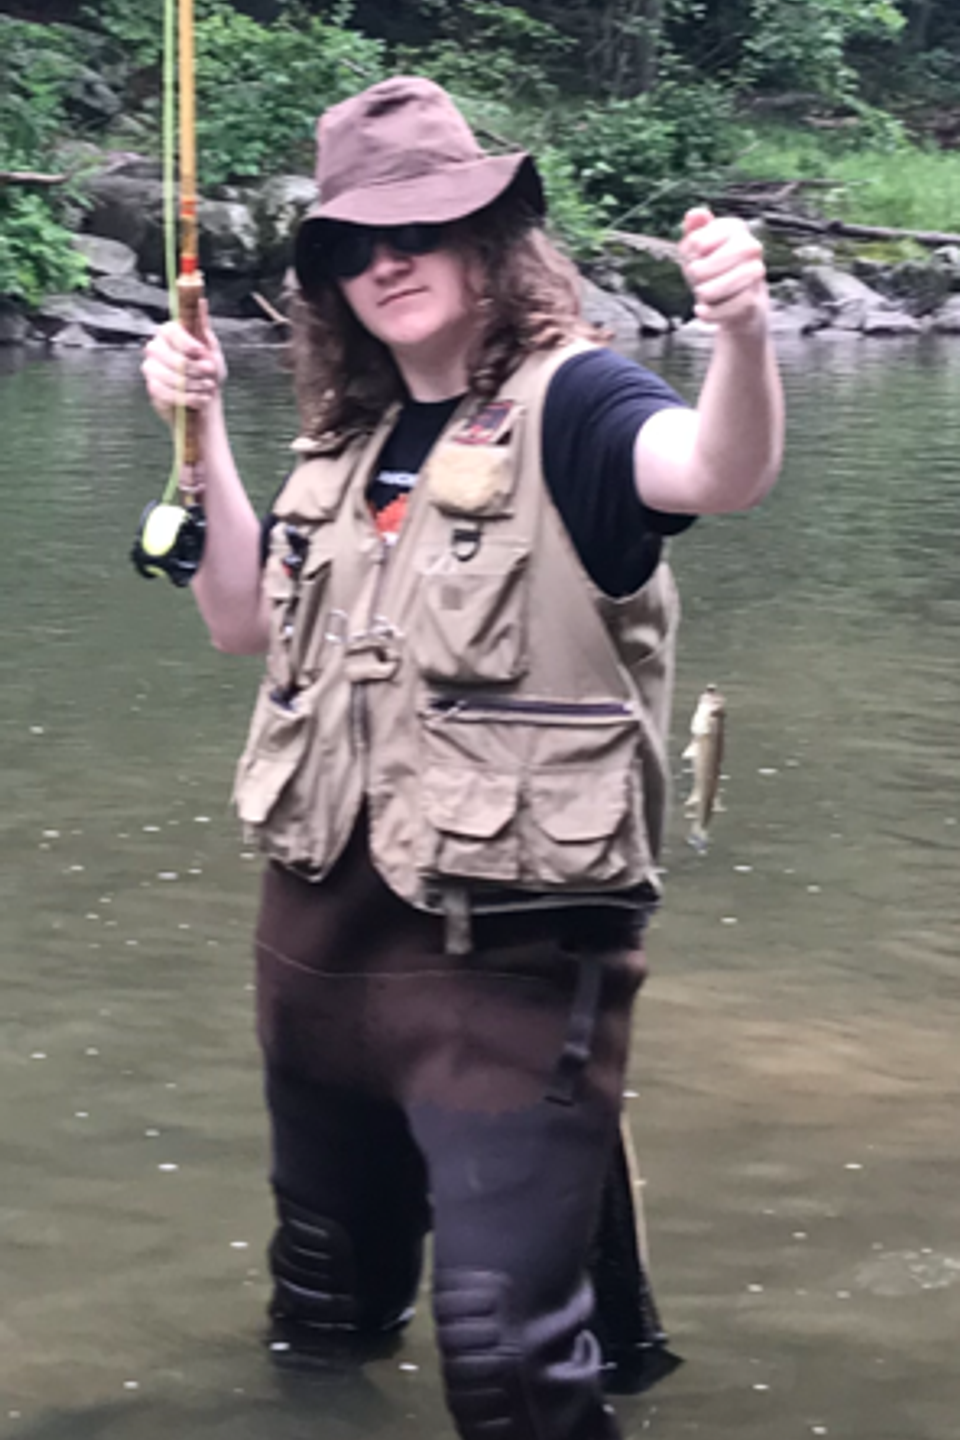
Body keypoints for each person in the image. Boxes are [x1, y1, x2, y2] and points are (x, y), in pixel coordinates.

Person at [142, 75, 783, 1440]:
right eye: (356, 245)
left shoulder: (584, 404)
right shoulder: (344, 443)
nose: (389, 262)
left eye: (421, 230)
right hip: (314, 962)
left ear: (493, 243)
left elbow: (716, 471)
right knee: (321, 1323)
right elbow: (239, 622)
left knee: (505, 1365)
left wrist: (742, 331)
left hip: (510, 972)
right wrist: (202, 446)